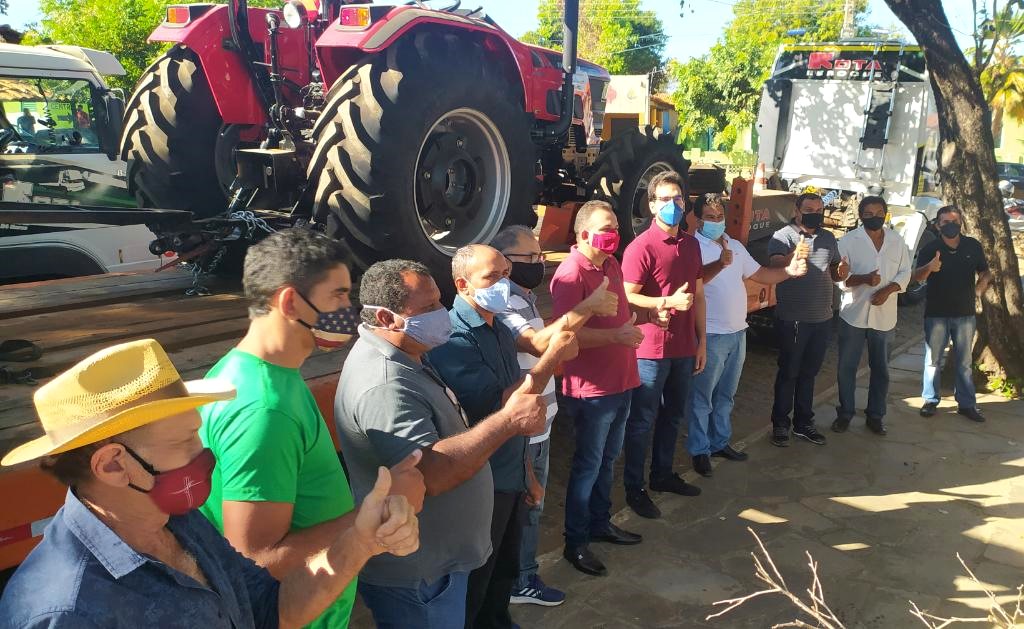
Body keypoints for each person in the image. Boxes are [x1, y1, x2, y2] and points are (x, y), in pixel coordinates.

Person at [0, 339, 418, 629]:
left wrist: (360, 541)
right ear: (112, 465)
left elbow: (271, 611)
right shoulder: (67, 610)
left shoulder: (179, 522)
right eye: (183, 441)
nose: (204, 454)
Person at [197, 228, 425, 629]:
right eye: (337, 295)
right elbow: (255, 565)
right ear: (289, 302)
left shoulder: (258, 375)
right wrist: (371, 514)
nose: (348, 309)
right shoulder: (265, 410)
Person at [335, 258, 549, 629]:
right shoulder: (386, 384)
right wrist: (509, 420)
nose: (441, 313)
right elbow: (430, 473)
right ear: (387, 318)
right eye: (429, 307)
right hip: (421, 576)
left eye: (439, 301)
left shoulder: (407, 356)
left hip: (439, 565)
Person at [428, 244, 578, 629]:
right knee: (477, 579)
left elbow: (513, 427)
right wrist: (551, 359)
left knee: (503, 571)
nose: (503, 284)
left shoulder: (497, 327)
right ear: (462, 285)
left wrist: (526, 469)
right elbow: (504, 407)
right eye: (492, 277)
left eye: (506, 274)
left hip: (510, 476)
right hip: (481, 483)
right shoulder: (453, 339)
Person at [491, 225, 617, 607]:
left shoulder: (525, 295)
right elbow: (536, 343)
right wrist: (588, 308)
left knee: (533, 505)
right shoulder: (503, 302)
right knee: (524, 508)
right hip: (523, 426)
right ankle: (519, 580)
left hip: (540, 422)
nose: (541, 263)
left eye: (541, 255)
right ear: (507, 264)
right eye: (532, 257)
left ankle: (521, 576)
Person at [550, 199, 646, 577]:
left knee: (607, 460)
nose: (614, 234)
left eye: (616, 227)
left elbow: (618, 314)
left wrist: (637, 321)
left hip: (622, 379)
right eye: (607, 228)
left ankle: (600, 523)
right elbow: (563, 335)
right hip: (593, 390)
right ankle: (576, 543)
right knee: (588, 465)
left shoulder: (610, 263)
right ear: (584, 232)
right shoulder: (571, 274)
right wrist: (616, 336)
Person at [691, 193, 807, 473]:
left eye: (720, 216)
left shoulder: (735, 246)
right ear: (697, 219)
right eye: (710, 217)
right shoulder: (692, 248)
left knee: (726, 395)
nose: (716, 221)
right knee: (701, 398)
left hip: (737, 332)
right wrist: (700, 340)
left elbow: (762, 275)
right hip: (711, 334)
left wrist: (789, 271)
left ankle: (719, 441)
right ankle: (699, 450)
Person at [618, 170, 704, 518]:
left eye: (678, 198)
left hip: (685, 347)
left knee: (673, 416)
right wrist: (663, 303)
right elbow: (626, 296)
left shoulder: (692, 244)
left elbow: (698, 295)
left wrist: (702, 342)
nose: (673, 205)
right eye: (665, 199)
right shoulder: (641, 247)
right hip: (651, 352)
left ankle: (663, 475)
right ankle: (634, 488)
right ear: (652, 205)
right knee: (641, 421)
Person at [768, 193, 850, 447]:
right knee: (789, 373)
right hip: (794, 318)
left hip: (822, 318)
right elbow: (775, 265)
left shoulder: (828, 237)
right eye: (809, 209)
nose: (815, 213)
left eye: (819, 209)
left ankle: (804, 423)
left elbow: (834, 272)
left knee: (809, 374)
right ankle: (781, 424)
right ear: (797, 210)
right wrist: (795, 254)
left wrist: (842, 271)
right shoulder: (783, 236)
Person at [833, 196, 912, 435]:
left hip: (884, 317)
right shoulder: (848, 241)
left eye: (879, 212)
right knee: (846, 367)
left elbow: (905, 271)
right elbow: (840, 279)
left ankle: (875, 415)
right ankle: (845, 413)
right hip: (853, 315)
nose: (874, 217)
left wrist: (888, 290)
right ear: (860, 215)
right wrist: (865, 279)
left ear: (886, 214)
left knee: (881, 369)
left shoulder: (897, 241)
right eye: (868, 213)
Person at [913, 206, 992, 422]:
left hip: (965, 314)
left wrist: (980, 287)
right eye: (945, 221)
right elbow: (917, 278)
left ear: (961, 222)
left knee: (964, 362)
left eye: (954, 220)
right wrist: (930, 267)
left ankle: (966, 404)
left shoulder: (972, 246)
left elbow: (985, 271)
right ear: (938, 225)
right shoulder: (931, 248)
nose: (950, 225)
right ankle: (930, 400)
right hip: (936, 313)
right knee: (933, 361)